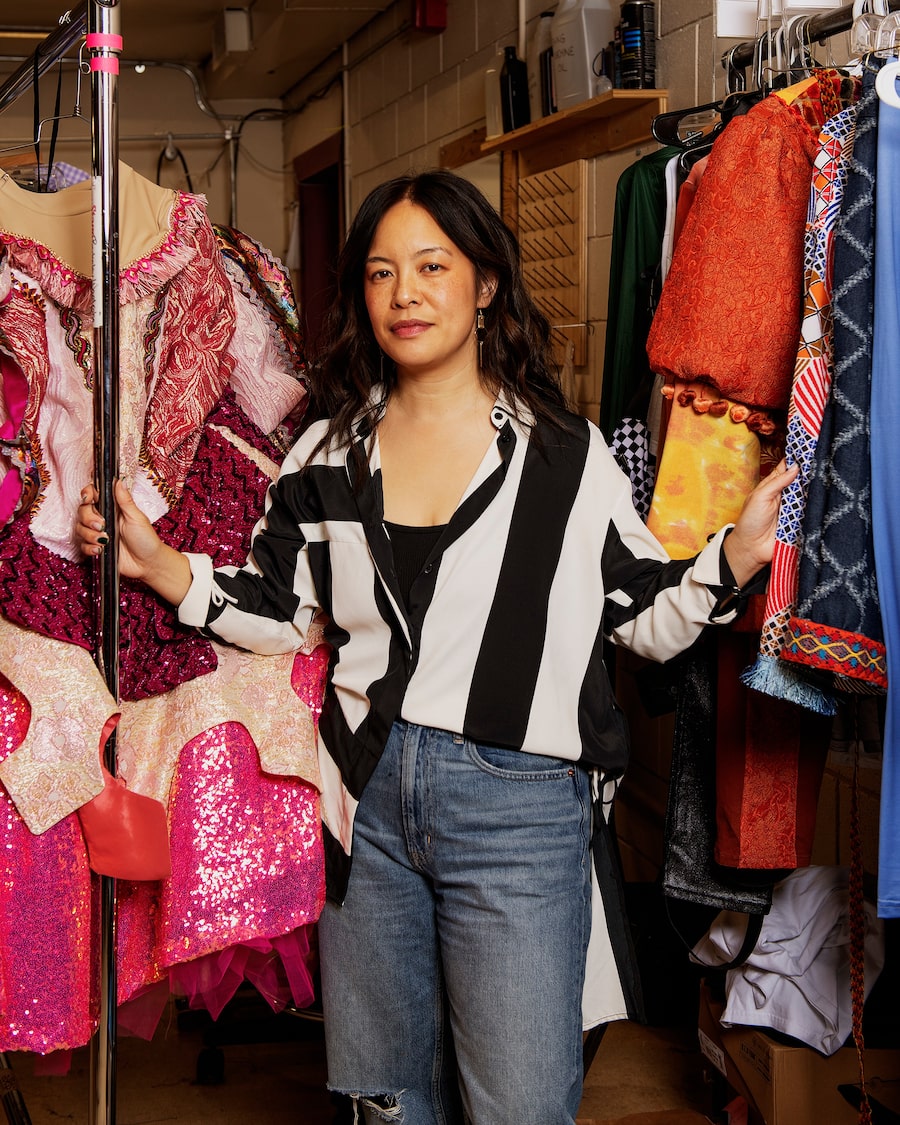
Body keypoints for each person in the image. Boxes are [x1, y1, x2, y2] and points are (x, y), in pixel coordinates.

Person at [77, 169, 798, 1125]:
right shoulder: (327, 454)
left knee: (518, 1105)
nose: (404, 294)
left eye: (431, 266)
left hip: (518, 807)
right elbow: (283, 611)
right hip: (365, 799)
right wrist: (162, 567)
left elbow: (646, 619)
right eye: (381, 273)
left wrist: (738, 554)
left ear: (485, 283)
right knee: (388, 1101)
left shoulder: (563, 455)